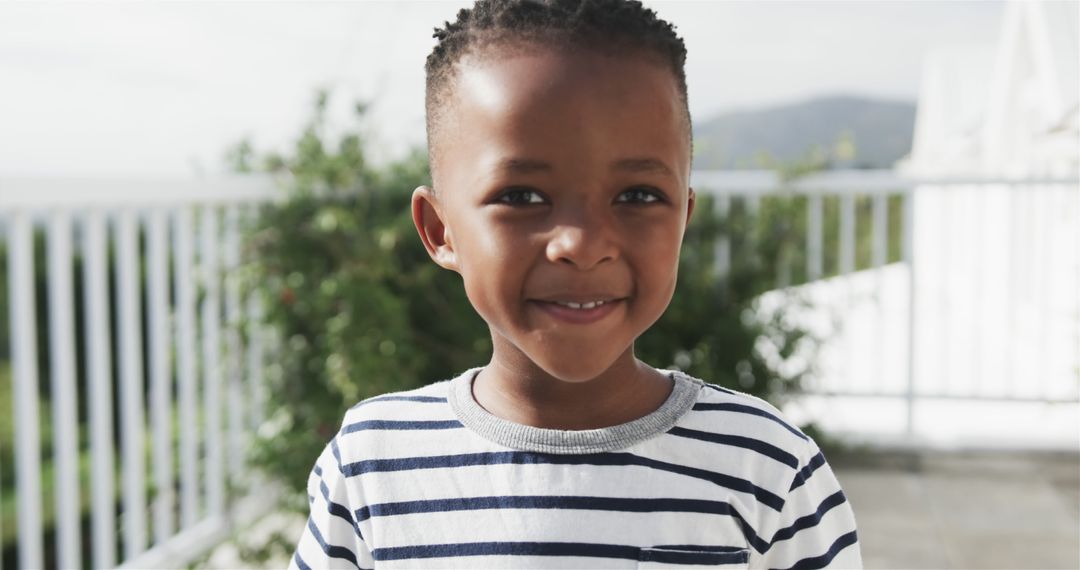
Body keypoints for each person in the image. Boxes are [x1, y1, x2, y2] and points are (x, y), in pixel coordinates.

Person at [290, 0, 861, 568]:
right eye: (521, 197)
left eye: (637, 196)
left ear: (683, 219)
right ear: (441, 230)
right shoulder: (372, 464)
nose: (583, 245)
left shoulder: (768, 468)